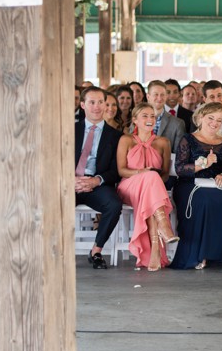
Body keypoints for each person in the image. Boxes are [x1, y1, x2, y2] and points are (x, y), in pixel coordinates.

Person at [170, 102, 222, 270]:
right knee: (203, 200)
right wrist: (204, 164)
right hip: (190, 185)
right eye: (211, 118)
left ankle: (216, 255)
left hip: (217, 185)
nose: (215, 123)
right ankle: (197, 254)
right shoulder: (188, 139)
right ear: (200, 118)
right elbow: (180, 169)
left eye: (219, 120)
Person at [117, 104, 177, 271]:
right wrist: (142, 172)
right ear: (135, 120)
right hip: (129, 186)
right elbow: (121, 170)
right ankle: (163, 228)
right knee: (150, 179)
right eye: (145, 116)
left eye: (152, 116)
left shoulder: (163, 142)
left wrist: (150, 177)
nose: (150, 119)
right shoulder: (125, 139)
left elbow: (165, 174)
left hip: (152, 190)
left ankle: (155, 251)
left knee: (150, 189)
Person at [75, 87, 124, 269]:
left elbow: (116, 170)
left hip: (98, 183)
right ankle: (52, 249)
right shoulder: (70, 130)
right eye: (91, 102)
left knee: (114, 205)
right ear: (82, 105)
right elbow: (55, 160)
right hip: (70, 182)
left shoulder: (116, 136)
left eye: (100, 102)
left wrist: (95, 180)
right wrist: (70, 180)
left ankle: (96, 250)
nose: (96, 107)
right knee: (50, 202)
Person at [146, 80, 185, 190]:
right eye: (155, 94)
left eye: (162, 94)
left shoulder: (178, 123)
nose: (159, 98)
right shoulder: (137, 119)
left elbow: (179, 154)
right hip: (139, 170)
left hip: (164, 172)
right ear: (148, 96)